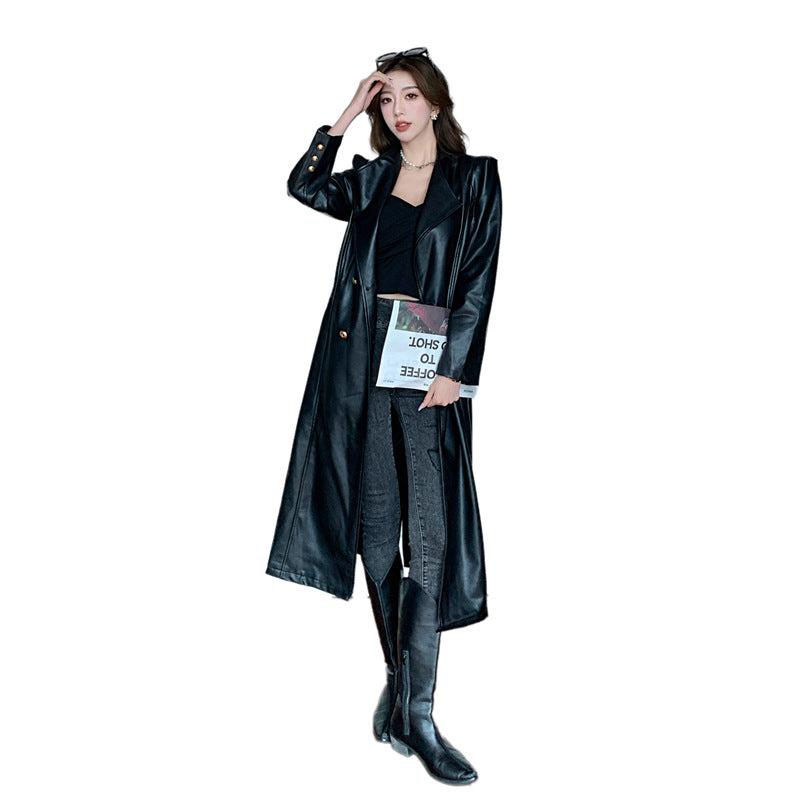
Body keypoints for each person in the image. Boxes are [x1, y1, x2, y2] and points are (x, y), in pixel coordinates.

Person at [266, 47, 502, 786]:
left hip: (427, 359)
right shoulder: (370, 179)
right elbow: (305, 186)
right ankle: (402, 689)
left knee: (427, 532)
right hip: (363, 358)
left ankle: (418, 714)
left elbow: (478, 279)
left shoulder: (475, 178)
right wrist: (342, 116)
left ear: (435, 102)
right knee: (376, 526)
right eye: (386, 99)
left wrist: (455, 369)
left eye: (409, 96)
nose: (398, 110)